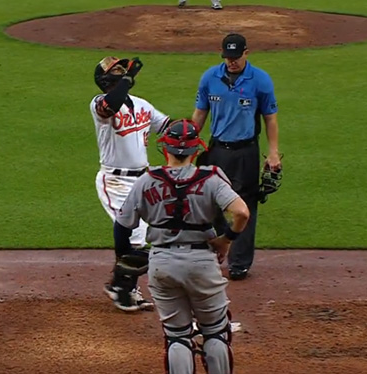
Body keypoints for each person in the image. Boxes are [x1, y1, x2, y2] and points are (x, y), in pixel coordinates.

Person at [110, 119, 250, 373]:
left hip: (162, 264)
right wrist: (225, 240)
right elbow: (241, 213)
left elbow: (122, 227)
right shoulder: (212, 177)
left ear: (165, 148)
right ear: (196, 150)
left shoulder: (146, 180)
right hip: (202, 263)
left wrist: (124, 256)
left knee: (177, 336)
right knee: (216, 332)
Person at [192, 32, 282, 281]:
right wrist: (188, 143)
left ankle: (240, 263)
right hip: (217, 150)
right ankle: (218, 246)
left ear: (246, 53)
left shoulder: (260, 80)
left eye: (236, 57)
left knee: (246, 204)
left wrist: (273, 152)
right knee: (209, 202)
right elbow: (200, 113)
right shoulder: (210, 77)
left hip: (246, 152)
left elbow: (270, 118)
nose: (231, 62)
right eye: (227, 57)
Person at [90, 56, 173, 312]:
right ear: (105, 79)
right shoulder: (98, 105)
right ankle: (122, 288)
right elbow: (111, 105)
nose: (124, 71)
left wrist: (193, 127)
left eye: (123, 69)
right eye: (117, 70)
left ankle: (121, 285)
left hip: (143, 180)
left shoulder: (141, 104)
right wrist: (126, 80)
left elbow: (168, 126)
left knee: (145, 234)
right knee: (136, 237)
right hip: (114, 181)